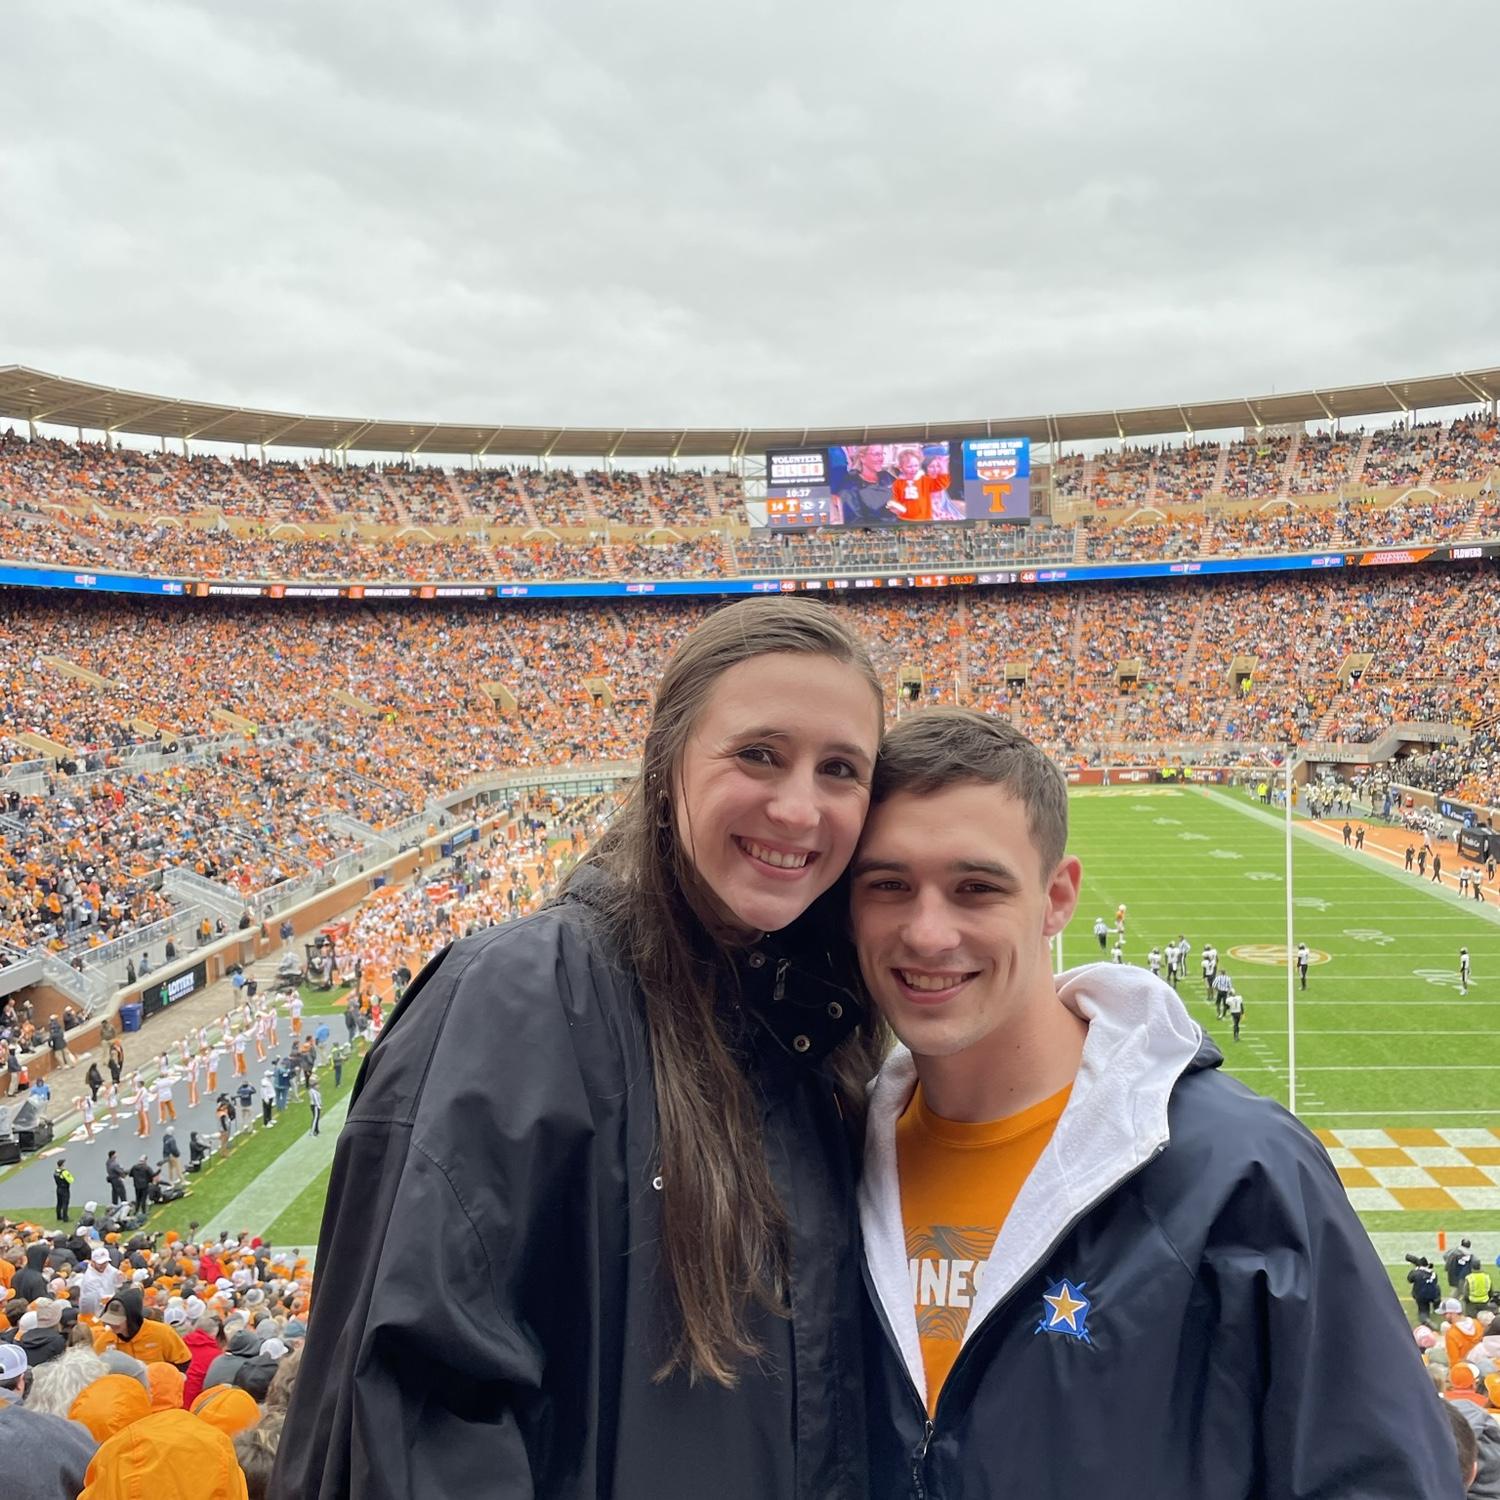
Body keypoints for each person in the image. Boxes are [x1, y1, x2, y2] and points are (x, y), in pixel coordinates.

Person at [276, 597, 888, 1499]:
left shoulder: (815, 1032)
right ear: (666, 765)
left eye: (841, 769)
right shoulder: (516, 997)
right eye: (759, 753)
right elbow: (412, 1422)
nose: (799, 807)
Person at [849, 708, 1459, 1498]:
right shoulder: (826, 1155)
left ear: (1058, 897)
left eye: (976, 887)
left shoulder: (1241, 1171)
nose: (928, 933)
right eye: (889, 885)